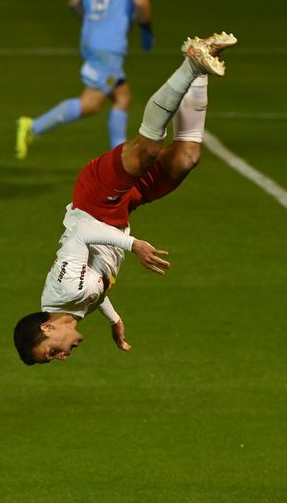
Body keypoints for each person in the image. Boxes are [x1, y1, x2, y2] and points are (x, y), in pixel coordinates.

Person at [13, 32, 236, 365]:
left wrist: (135, 246)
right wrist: (113, 318)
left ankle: (192, 63)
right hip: (118, 211)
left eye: (50, 352)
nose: (61, 357)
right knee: (186, 157)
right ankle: (202, 66)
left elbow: (81, 234)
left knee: (147, 149)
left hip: (96, 199)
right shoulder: (69, 307)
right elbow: (94, 289)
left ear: (47, 328)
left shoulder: (65, 291)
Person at [15, 0, 153, 159]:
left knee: (122, 97)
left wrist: (95, 20)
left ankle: (118, 155)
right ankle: (32, 127)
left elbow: (74, 3)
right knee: (91, 103)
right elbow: (141, 3)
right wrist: (146, 29)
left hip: (90, 41)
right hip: (110, 49)